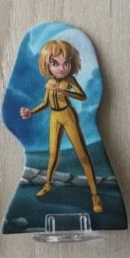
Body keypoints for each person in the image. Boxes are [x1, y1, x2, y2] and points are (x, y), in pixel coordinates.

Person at [19, 40, 103, 213]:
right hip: (55, 117)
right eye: (55, 64)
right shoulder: (50, 83)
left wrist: (63, 91)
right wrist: (31, 112)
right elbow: (45, 103)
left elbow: (82, 96)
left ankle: (95, 195)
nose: (61, 68)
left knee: (82, 155)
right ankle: (47, 184)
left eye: (66, 63)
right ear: (47, 65)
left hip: (67, 115)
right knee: (53, 154)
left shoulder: (69, 80)